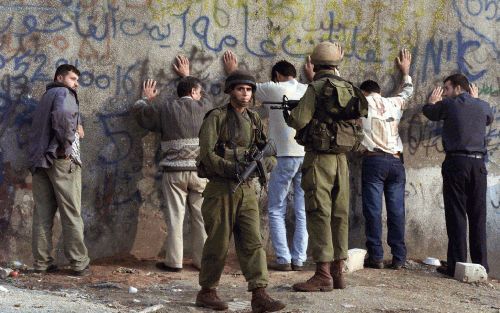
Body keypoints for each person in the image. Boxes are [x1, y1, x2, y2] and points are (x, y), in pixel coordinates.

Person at [195, 70, 286, 312]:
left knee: (252, 242)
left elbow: (269, 152)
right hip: (221, 190)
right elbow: (207, 154)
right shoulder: (216, 117)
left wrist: (262, 166)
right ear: (230, 91)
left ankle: (259, 293)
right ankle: (207, 291)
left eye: (248, 90)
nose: (245, 94)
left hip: (246, 190)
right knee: (217, 243)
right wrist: (232, 168)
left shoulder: (255, 119)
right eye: (240, 89)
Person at [286, 41, 367, 291]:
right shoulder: (349, 87)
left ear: (315, 63)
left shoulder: (317, 87)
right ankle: (338, 273)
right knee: (339, 215)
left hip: (319, 158)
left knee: (319, 212)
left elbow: (298, 120)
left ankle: (322, 274)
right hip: (342, 159)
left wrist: (290, 112)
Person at [222, 50, 309, 272]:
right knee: (301, 210)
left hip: (284, 155)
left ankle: (284, 259)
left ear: (278, 75)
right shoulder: (307, 89)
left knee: (276, 208)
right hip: (305, 156)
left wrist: (232, 70)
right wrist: (310, 76)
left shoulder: (274, 88)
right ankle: (299, 259)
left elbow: (247, 88)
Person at [132, 55, 212, 272]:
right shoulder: (205, 107)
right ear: (194, 92)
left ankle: (174, 262)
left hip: (174, 173)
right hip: (200, 173)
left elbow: (144, 117)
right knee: (200, 217)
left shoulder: (166, 109)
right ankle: (203, 260)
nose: (201, 93)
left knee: (176, 218)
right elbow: (208, 100)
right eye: (199, 91)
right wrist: (187, 75)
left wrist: (145, 99)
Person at [422, 74, 493, 277]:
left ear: (457, 88)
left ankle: (457, 265)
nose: (444, 92)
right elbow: (488, 118)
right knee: (478, 216)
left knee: (456, 214)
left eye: (446, 88)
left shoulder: (450, 104)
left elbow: (430, 113)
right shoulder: (482, 105)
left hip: (457, 163)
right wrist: (477, 99)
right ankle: (481, 267)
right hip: (478, 165)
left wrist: (432, 102)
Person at [29, 64, 90, 276]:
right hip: (61, 159)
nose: (76, 84)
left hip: (40, 161)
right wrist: (68, 142)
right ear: (60, 77)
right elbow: (64, 117)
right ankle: (78, 262)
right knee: (71, 211)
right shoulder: (64, 93)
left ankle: (41, 262)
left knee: (42, 214)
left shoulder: (45, 97)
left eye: (77, 80)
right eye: (73, 78)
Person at [360, 49, 414, 270]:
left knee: (373, 210)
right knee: (396, 210)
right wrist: (406, 72)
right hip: (396, 161)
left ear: (363, 92)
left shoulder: (361, 104)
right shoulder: (393, 103)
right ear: (379, 92)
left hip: (374, 161)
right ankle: (399, 257)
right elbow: (408, 92)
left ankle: (376, 257)